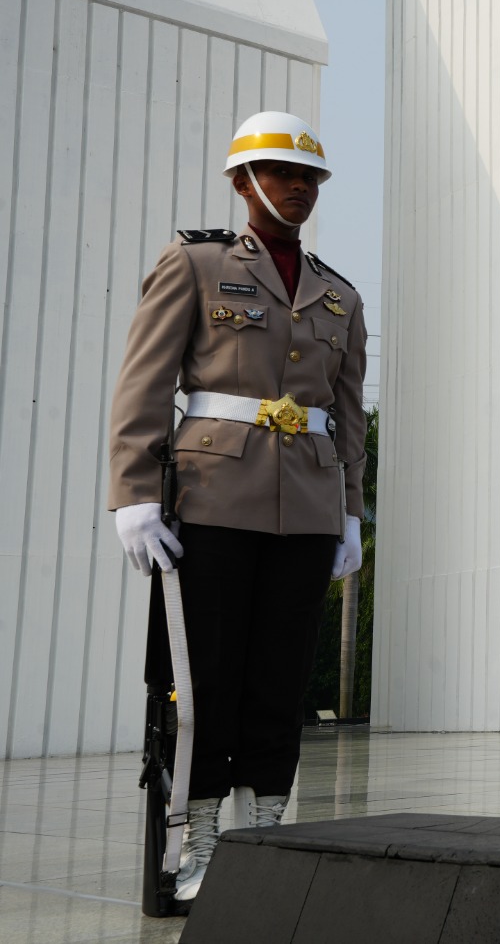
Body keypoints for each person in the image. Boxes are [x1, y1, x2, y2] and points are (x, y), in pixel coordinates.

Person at [108, 111, 368, 903]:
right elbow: (145, 383)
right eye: (284, 172)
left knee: (279, 682)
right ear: (242, 181)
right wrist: (134, 494)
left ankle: (262, 833)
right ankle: (198, 840)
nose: (299, 187)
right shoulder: (194, 263)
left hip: (308, 509)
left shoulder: (340, 294)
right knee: (205, 679)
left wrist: (351, 511)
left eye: (310, 177)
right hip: (213, 499)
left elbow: (348, 412)